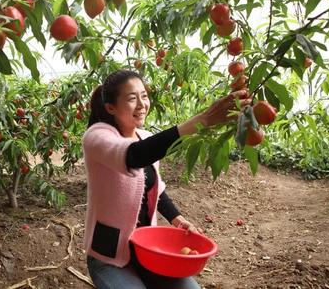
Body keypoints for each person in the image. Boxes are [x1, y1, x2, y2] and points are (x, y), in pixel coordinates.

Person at [82, 69, 251, 289]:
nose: (142, 104)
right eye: (132, 98)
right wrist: (203, 119)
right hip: (108, 256)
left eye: (144, 96)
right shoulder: (97, 137)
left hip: (147, 250)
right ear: (110, 107)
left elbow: (155, 190)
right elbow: (134, 155)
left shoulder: (145, 137)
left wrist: (178, 220)